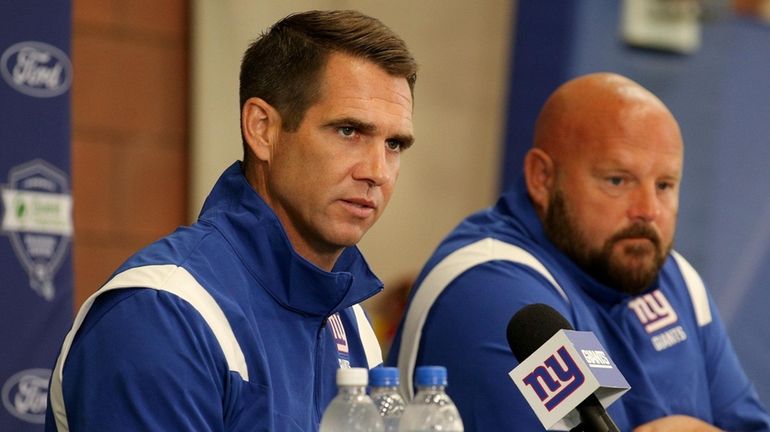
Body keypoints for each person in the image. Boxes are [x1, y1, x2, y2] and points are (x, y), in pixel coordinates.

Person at [46, 10, 417, 431]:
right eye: (349, 131)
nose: (378, 171)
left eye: (394, 144)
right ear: (262, 129)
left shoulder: (350, 324)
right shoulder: (163, 314)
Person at [387, 73, 770, 431]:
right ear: (542, 178)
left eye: (665, 185)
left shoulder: (676, 279)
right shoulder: (491, 289)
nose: (649, 210)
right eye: (618, 180)